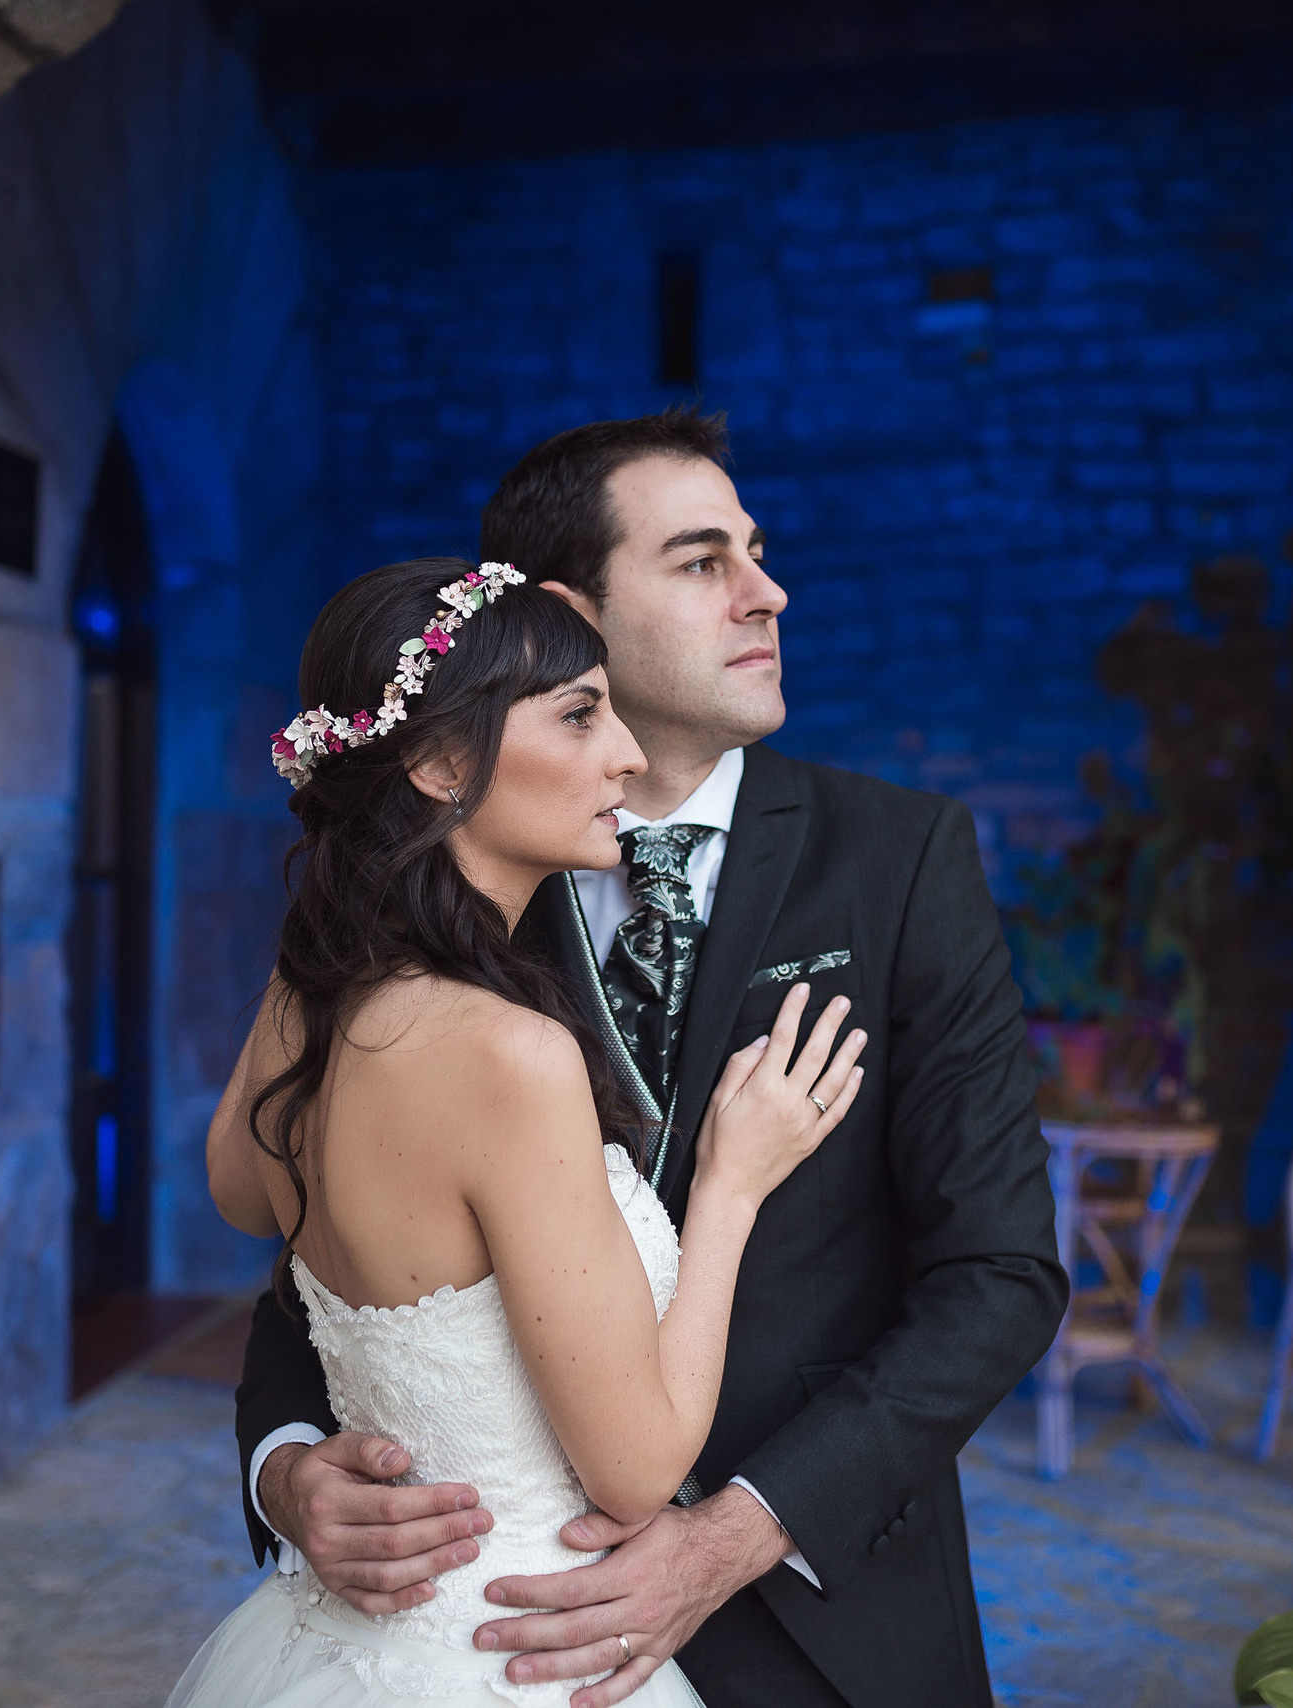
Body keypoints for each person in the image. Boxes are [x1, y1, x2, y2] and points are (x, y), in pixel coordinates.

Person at [233, 412, 1068, 1708]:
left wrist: (735, 1533)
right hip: (500, 1633)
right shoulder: (453, 907)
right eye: (700, 561)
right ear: (572, 610)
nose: (766, 591)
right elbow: (333, 1251)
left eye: (757, 551)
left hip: (829, 1625)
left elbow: (1002, 1273)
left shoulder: (901, 860)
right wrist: (286, 1467)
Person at [171, 555, 869, 1708]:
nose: (629, 754)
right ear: (442, 762)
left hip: (332, 1646)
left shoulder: (314, 992)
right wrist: (732, 1187)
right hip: (515, 1654)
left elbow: (240, 1193)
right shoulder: (510, 1052)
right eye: (580, 715)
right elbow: (638, 1471)